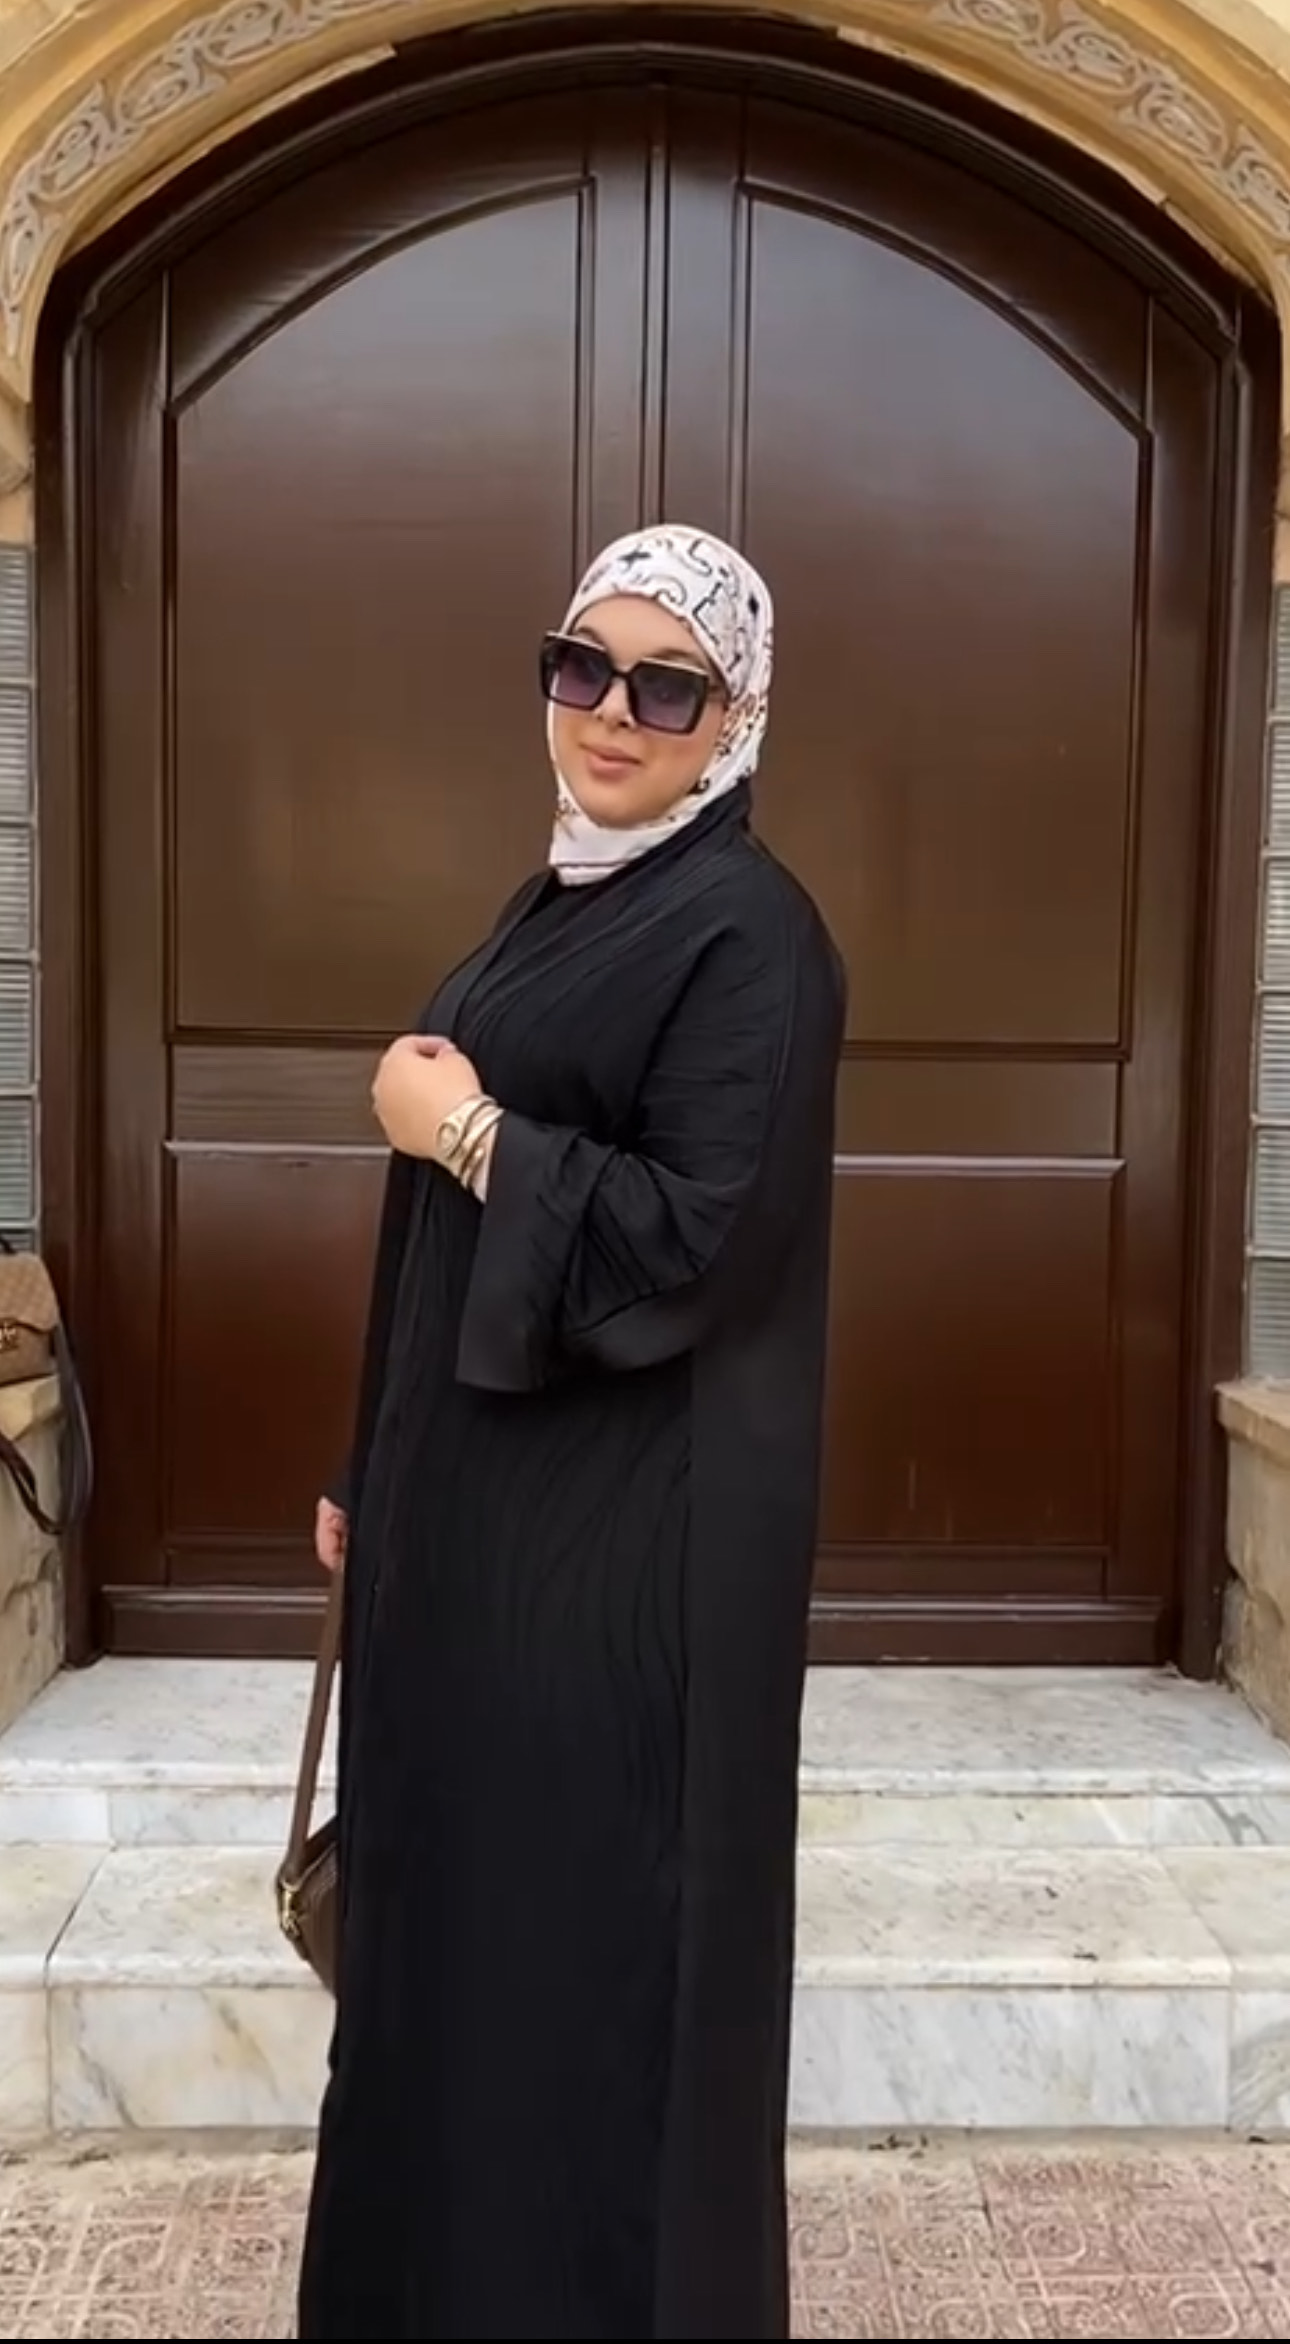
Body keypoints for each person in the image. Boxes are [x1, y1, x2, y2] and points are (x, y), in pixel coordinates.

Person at [297, 524, 846, 2342]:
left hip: (618, 1574)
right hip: (473, 1539)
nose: (612, 711)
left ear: (734, 718)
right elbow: (451, 1247)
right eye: (580, 666)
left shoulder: (752, 935)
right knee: (459, 1946)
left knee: (588, 1967)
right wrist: (374, 1467)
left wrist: (466, 1132)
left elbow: (701, 1234)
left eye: (665, 685)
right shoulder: (566, 894)